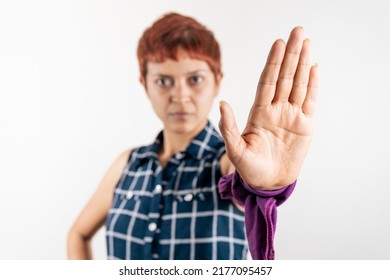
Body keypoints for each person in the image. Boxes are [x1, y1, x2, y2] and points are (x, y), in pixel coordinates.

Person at [67, 12, 319, 260]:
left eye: (195, 79)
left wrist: (265, 185)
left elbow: (242, 176)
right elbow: (78, 234)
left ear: (216, 81)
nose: (180, 96)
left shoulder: (226, 162)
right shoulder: (128, 164)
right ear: (145, 83)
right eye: (164, 81)